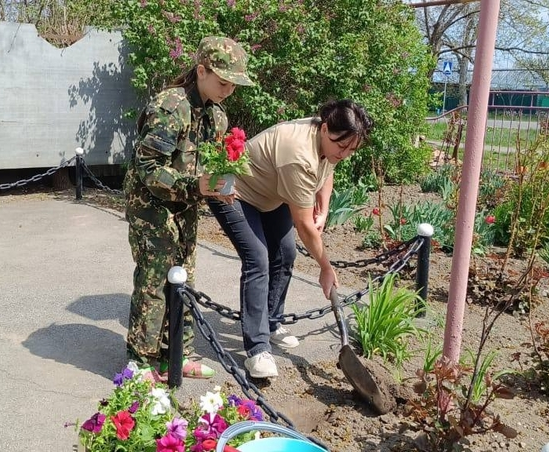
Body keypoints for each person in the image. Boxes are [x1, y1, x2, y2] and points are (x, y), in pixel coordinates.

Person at [208, 99, 374, 378]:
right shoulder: (298, 153)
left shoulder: (331, 141)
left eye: (351, 149)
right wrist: (325, 267)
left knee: (285, 253)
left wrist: (325, 205)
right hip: (235, 191)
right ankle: (258, 349)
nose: (344, 153)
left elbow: (328, 167)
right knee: (257, 259)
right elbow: (303, 224)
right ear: (324, 129)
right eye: (341, 146)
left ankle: (271, 322)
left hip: (271, 194)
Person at [124, 36, 254, 380]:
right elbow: (147, 168)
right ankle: (140, 360)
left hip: (185, 204)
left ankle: (177, 356)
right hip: (150, 205)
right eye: (223, 82)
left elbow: (206, 164)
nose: (228, 90)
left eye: (233, 85)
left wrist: (221, 184)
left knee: (184, 277)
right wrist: (194, 186)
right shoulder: (172, 106)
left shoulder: (216, 116)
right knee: (155, 280)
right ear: (201, 71)